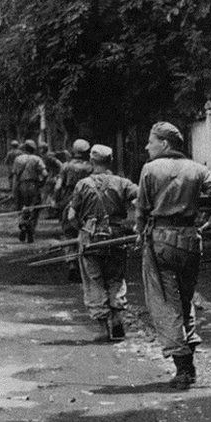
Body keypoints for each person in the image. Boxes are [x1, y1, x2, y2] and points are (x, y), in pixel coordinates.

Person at [136, 122, 211, 389]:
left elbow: (142, 209)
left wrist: (139, 232)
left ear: (164, 144)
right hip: (190, 241)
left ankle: (183, 368)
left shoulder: (150, 169)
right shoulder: (197, 168)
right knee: (185, 299)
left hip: (160, 243)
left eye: (151, 141)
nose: (147, 146)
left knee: (165, 303)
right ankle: (188, 357)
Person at [68, 144, 138, 342]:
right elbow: (141, 198)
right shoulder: (123, 183)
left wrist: (83, 228)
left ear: (92, 161)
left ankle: (101, 327)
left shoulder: (82, 185)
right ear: (111, 161)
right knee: (116, 278)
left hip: (90, 237)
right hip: (117, 236)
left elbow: (72, 216)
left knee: (93, 280)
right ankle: (117, 319)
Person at [55, 139, 93, 278]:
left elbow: (58, 186)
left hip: (69, 202)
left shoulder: (66, 166)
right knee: (87, 231)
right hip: (88, 202)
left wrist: (55, 200)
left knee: (68, 232)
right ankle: (87, 264)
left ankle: (72, 263)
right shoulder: (91, 167)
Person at [12, 140, 47, 243]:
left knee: (21, 207)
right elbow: (45, 174)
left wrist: (14, 191)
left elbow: (15, 176)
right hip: (33, 185)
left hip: (21, 185)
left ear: (24, 148)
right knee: (35, 208)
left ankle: (23, 224)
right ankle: (31, 229)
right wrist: (41, 183)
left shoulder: (18, 159)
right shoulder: (37, 159)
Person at [39, 142, 62, 213]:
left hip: (52, 178)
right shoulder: (45, 156)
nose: (39, 150)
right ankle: (50, 211)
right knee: (49, 194)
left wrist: (58, 174)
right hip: (50, 177)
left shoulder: (48, 157)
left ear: (43, 149)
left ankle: (51, 211)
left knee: (48, 194)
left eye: (40, 148)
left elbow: (60, 164)